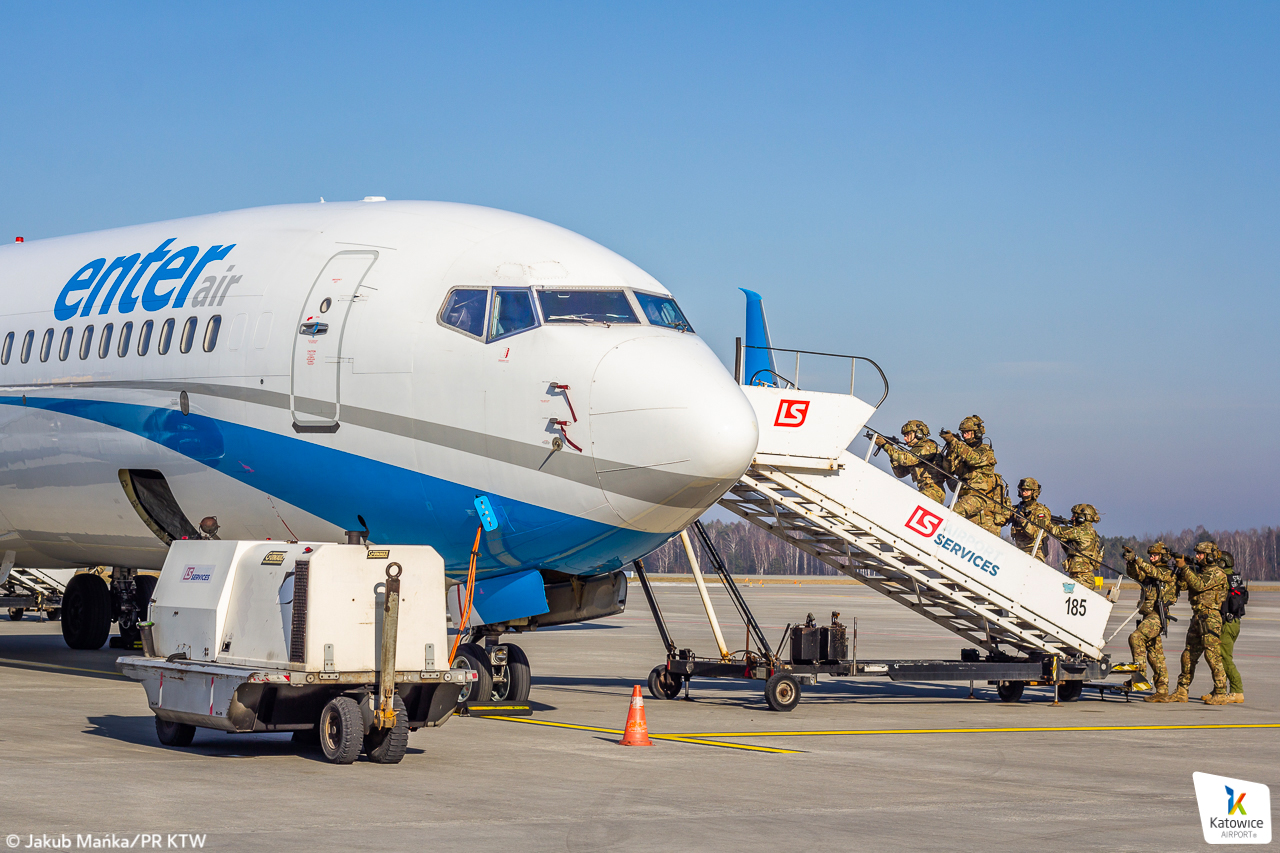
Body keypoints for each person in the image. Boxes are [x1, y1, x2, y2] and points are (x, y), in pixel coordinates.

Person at [1158, 541, 1230, 705]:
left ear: (1210, 556)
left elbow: (1198, 585)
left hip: (1210, 617)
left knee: (1212, 656)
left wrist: (1185, 568)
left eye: (1201, 554)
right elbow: (1184, 585)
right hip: (1198, 617)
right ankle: (1182, 690)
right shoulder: (1200, 572)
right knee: (1188, 655)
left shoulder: (1217, 573)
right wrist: (1182, 570)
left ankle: (1220, 692)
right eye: (1196, 554)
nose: (1197, 556)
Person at [1116, 541, 1178, 698]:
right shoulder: (1150, 573)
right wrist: (1130, 562)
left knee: (1136, 638)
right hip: (1148, 616)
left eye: (1155, 555)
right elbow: (1135, 575)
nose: (1152, 558)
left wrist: (1137, 558)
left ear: (1163, 556)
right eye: (1150, 555)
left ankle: (1139, 676)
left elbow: (1153, 572)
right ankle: (1162, 690)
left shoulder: (1167, 573)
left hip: (1158, 616)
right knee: (1154, 654)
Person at [939, 415, 1009, 535]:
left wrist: (955, 442)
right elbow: (948, 469)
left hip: (979, 497)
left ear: (976, 433)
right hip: (964, 497)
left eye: (967, 432)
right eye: (963, 433)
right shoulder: (961, 451)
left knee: (953, 512)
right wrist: (951, 448)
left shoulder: (986, 451)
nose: (964, 435)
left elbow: (973, 459)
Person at [874, 420, 945, 503]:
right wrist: (891, 451)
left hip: (933, 492)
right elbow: (900, 473)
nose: (905, 438)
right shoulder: (915, 451)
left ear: (918, 434)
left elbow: (907, 459)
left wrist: (886, 446)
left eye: (908, 435)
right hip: (925, 490)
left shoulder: (928, 446)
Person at [1049, 504, 1103, 588]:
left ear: (1082, 517)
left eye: (1074, 516)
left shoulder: (1081, 531)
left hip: (1080, 578)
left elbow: (1056, 532)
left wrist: (1046, 521)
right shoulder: (1092, 532)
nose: (1072, 518)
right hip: (1085, 577)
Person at [1220, 549, 1249, 704]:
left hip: (1227, 622)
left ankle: (1237, 690)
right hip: (1235, 622)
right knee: (1220, 657)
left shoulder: (1222, 577)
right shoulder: (1234, 577)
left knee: (1224, 657)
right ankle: (1220, 688)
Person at [1008, 477, 1052, 562]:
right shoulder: (1016, 509)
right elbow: (1000, 520)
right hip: (1019, 550)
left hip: (1035, 552)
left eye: (1027, 491)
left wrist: (1022, 520)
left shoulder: (1041, 511)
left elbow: (1036, 533)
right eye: (1022, 490)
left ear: (1034, 492)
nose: (1024, 493)